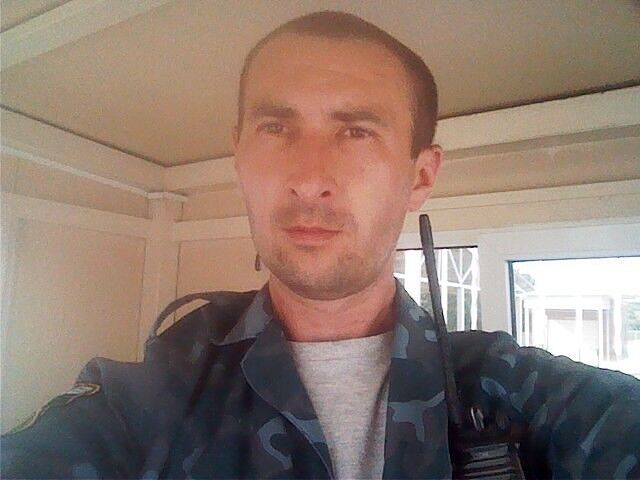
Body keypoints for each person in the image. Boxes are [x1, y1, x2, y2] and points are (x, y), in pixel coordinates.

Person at [2, 10, 639, 480]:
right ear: (239, 154)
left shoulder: (522, 395)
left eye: (357, 131)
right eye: (276, 127)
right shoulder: (147, 399)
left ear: (420, 176)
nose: (309, 179)